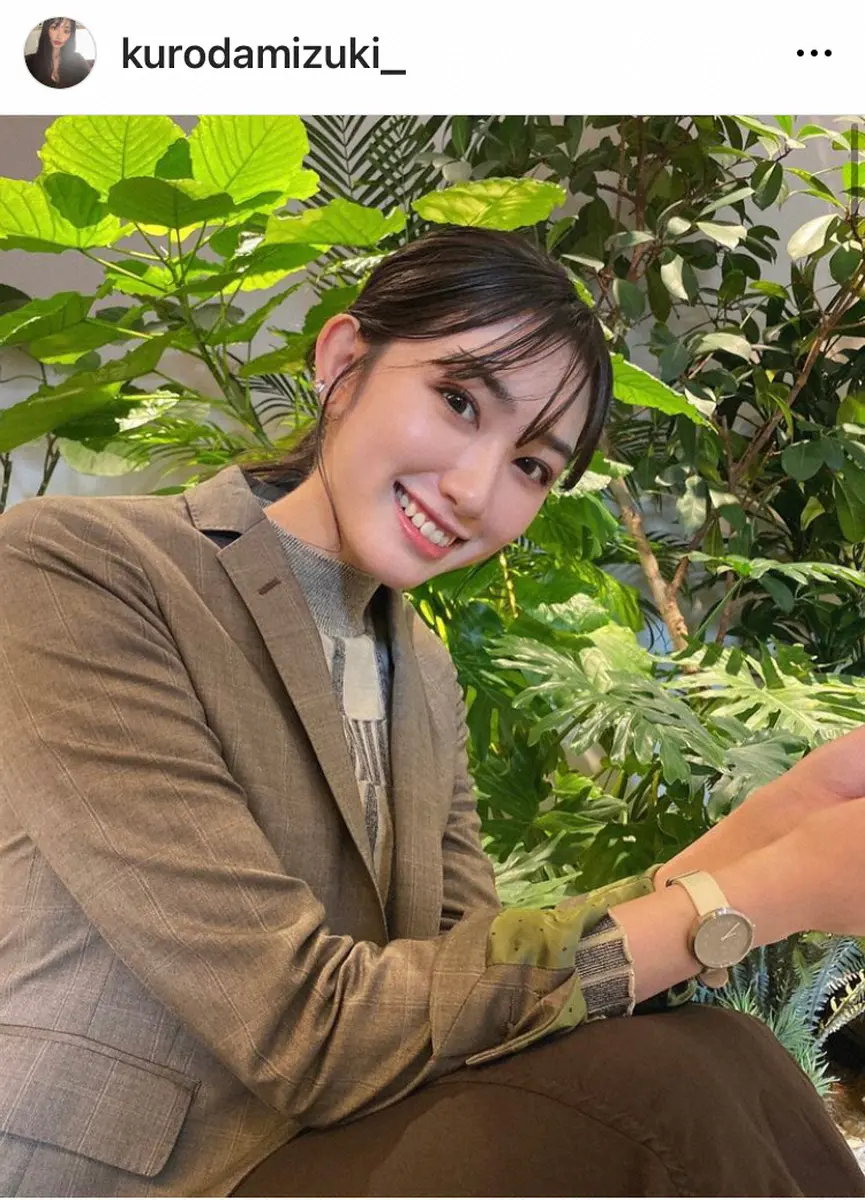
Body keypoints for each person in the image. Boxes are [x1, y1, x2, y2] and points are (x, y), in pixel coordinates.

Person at [0, 227, 863, 1198]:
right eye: (458, 401)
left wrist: (736, 849)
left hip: (333, 1144)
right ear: (343, 361)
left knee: (723, 1048)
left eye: (531, 466)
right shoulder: (88, 569)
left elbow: (469, 985)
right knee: (663, 1092)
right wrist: (751, 896)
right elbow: (299, 1027)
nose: (472, 488)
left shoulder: (419, 665)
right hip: (126, 1172)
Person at [24, 17, 92, 89]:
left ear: (71, 35)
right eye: (54, 28)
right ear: (46, 30)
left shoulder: (79, 61)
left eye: (66, 31)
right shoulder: (29, 62)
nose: (59, 36)